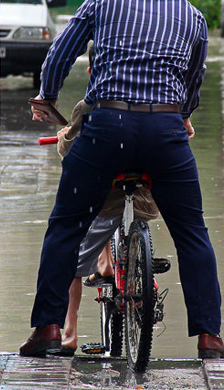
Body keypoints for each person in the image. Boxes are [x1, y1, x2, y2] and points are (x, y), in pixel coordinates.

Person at [20, 0, 224, 360]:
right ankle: (210, 337)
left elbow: (60, 54)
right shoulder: (193, 17)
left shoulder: (103, 1)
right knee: (192, 234)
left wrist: (48, 96)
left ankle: (47, 329)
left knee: (65, 226)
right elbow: (194, 82)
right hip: (165, 133)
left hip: (106, 129)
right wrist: (182, 116)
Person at [48, 96, 161, 357]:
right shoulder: (152, 94)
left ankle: (69, 334)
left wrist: (64, 137)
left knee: (74, 261)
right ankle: (119, 261)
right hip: (145, 196)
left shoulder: (89, 104)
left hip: (105, 198)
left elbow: (72, 153)